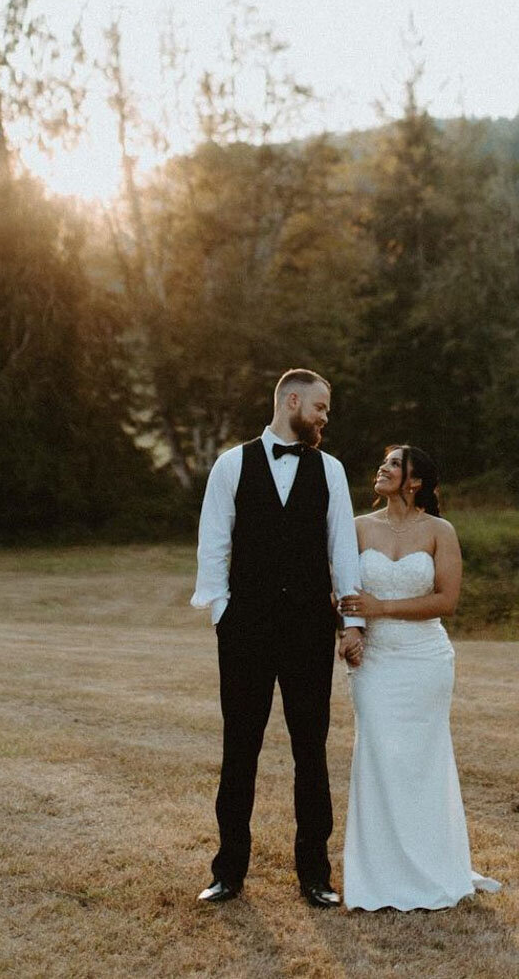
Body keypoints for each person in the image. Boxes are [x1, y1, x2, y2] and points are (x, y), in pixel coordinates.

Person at [191, 369, 365, 908]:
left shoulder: (330, 470)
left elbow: (343, 549)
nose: (324, 418)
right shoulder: (230, 464)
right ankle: (228, 872)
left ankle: (315, 873)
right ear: (292, 401)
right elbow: (214, 542)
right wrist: (222, 611)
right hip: (244, 628)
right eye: (319, 407)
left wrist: (350, 620)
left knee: (310, 750)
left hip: (309, 629)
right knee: (239, 747)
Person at [338, 444, 500, 911]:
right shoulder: (356, 527)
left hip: (425, 659)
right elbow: (343, 589)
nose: (382, 468)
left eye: (393, 463)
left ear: (414, 480)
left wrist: (381, 608)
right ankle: (378, 873)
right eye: (383, 462)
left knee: (423, 760)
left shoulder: (439, 531)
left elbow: (446, 600)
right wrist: (350, 629)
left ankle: (432, 864)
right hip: (374, 662)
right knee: (378, 754)